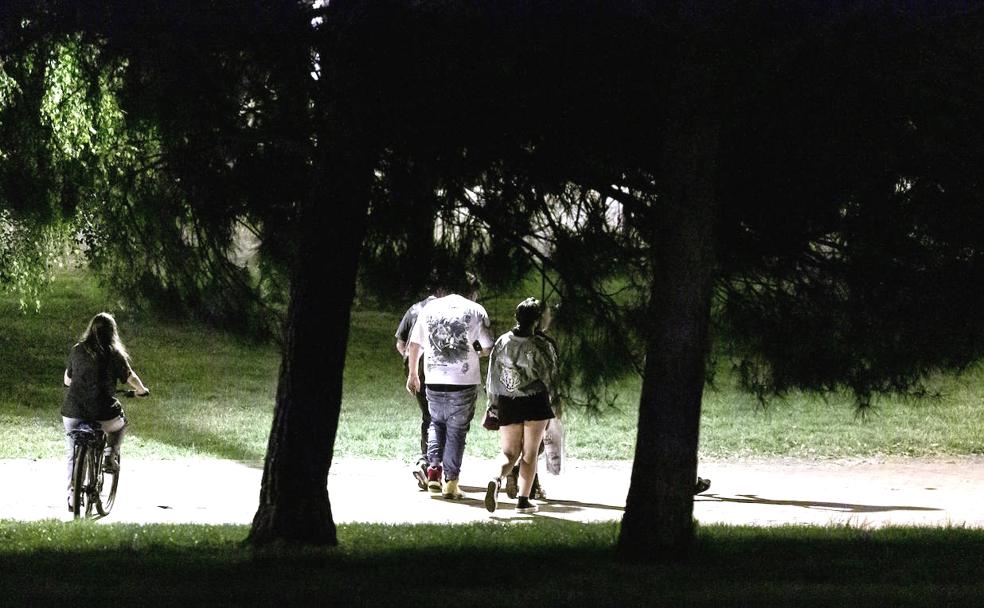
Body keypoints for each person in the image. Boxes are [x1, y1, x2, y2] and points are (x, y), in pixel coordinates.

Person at [406, 284, 494, 499]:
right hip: (463, 381)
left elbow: (415, 344)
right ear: (470, 292)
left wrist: (413, 374)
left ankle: (433, 471)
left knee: (436, 423)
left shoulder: (429, 308)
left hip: (433, 379)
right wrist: (476, 352)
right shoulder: (476, 310)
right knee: (457, 430)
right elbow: (487, 346)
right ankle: (451, 482)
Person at [62, 312, 150, 510]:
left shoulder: (78, 350)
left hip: (72, 412)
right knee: (120, 423)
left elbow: (67, 380)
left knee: (73, 452)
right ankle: (110, 454)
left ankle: (72, 495)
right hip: (103, 413)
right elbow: (130, 377)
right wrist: (141, 390)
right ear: (113, 332)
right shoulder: (114, 354)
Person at [484, 297, 558, 514]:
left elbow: (492, 375)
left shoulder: (503, 341)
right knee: (530, 453)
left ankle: (496, 479)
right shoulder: (541, 345)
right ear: (537, 320)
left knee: (508, 453)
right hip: (535, 401)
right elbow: (550, 376)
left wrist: (493, 403)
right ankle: (523, 500)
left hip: (508, 400)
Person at [395, 292, 436, 490]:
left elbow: (401, 343)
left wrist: (410, 364)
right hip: (438, 371)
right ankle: (429, 463)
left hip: (416, 371)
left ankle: (427, 463)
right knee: (438, 418)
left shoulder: (413, 309)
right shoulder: (443, 310)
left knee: (428, 415)